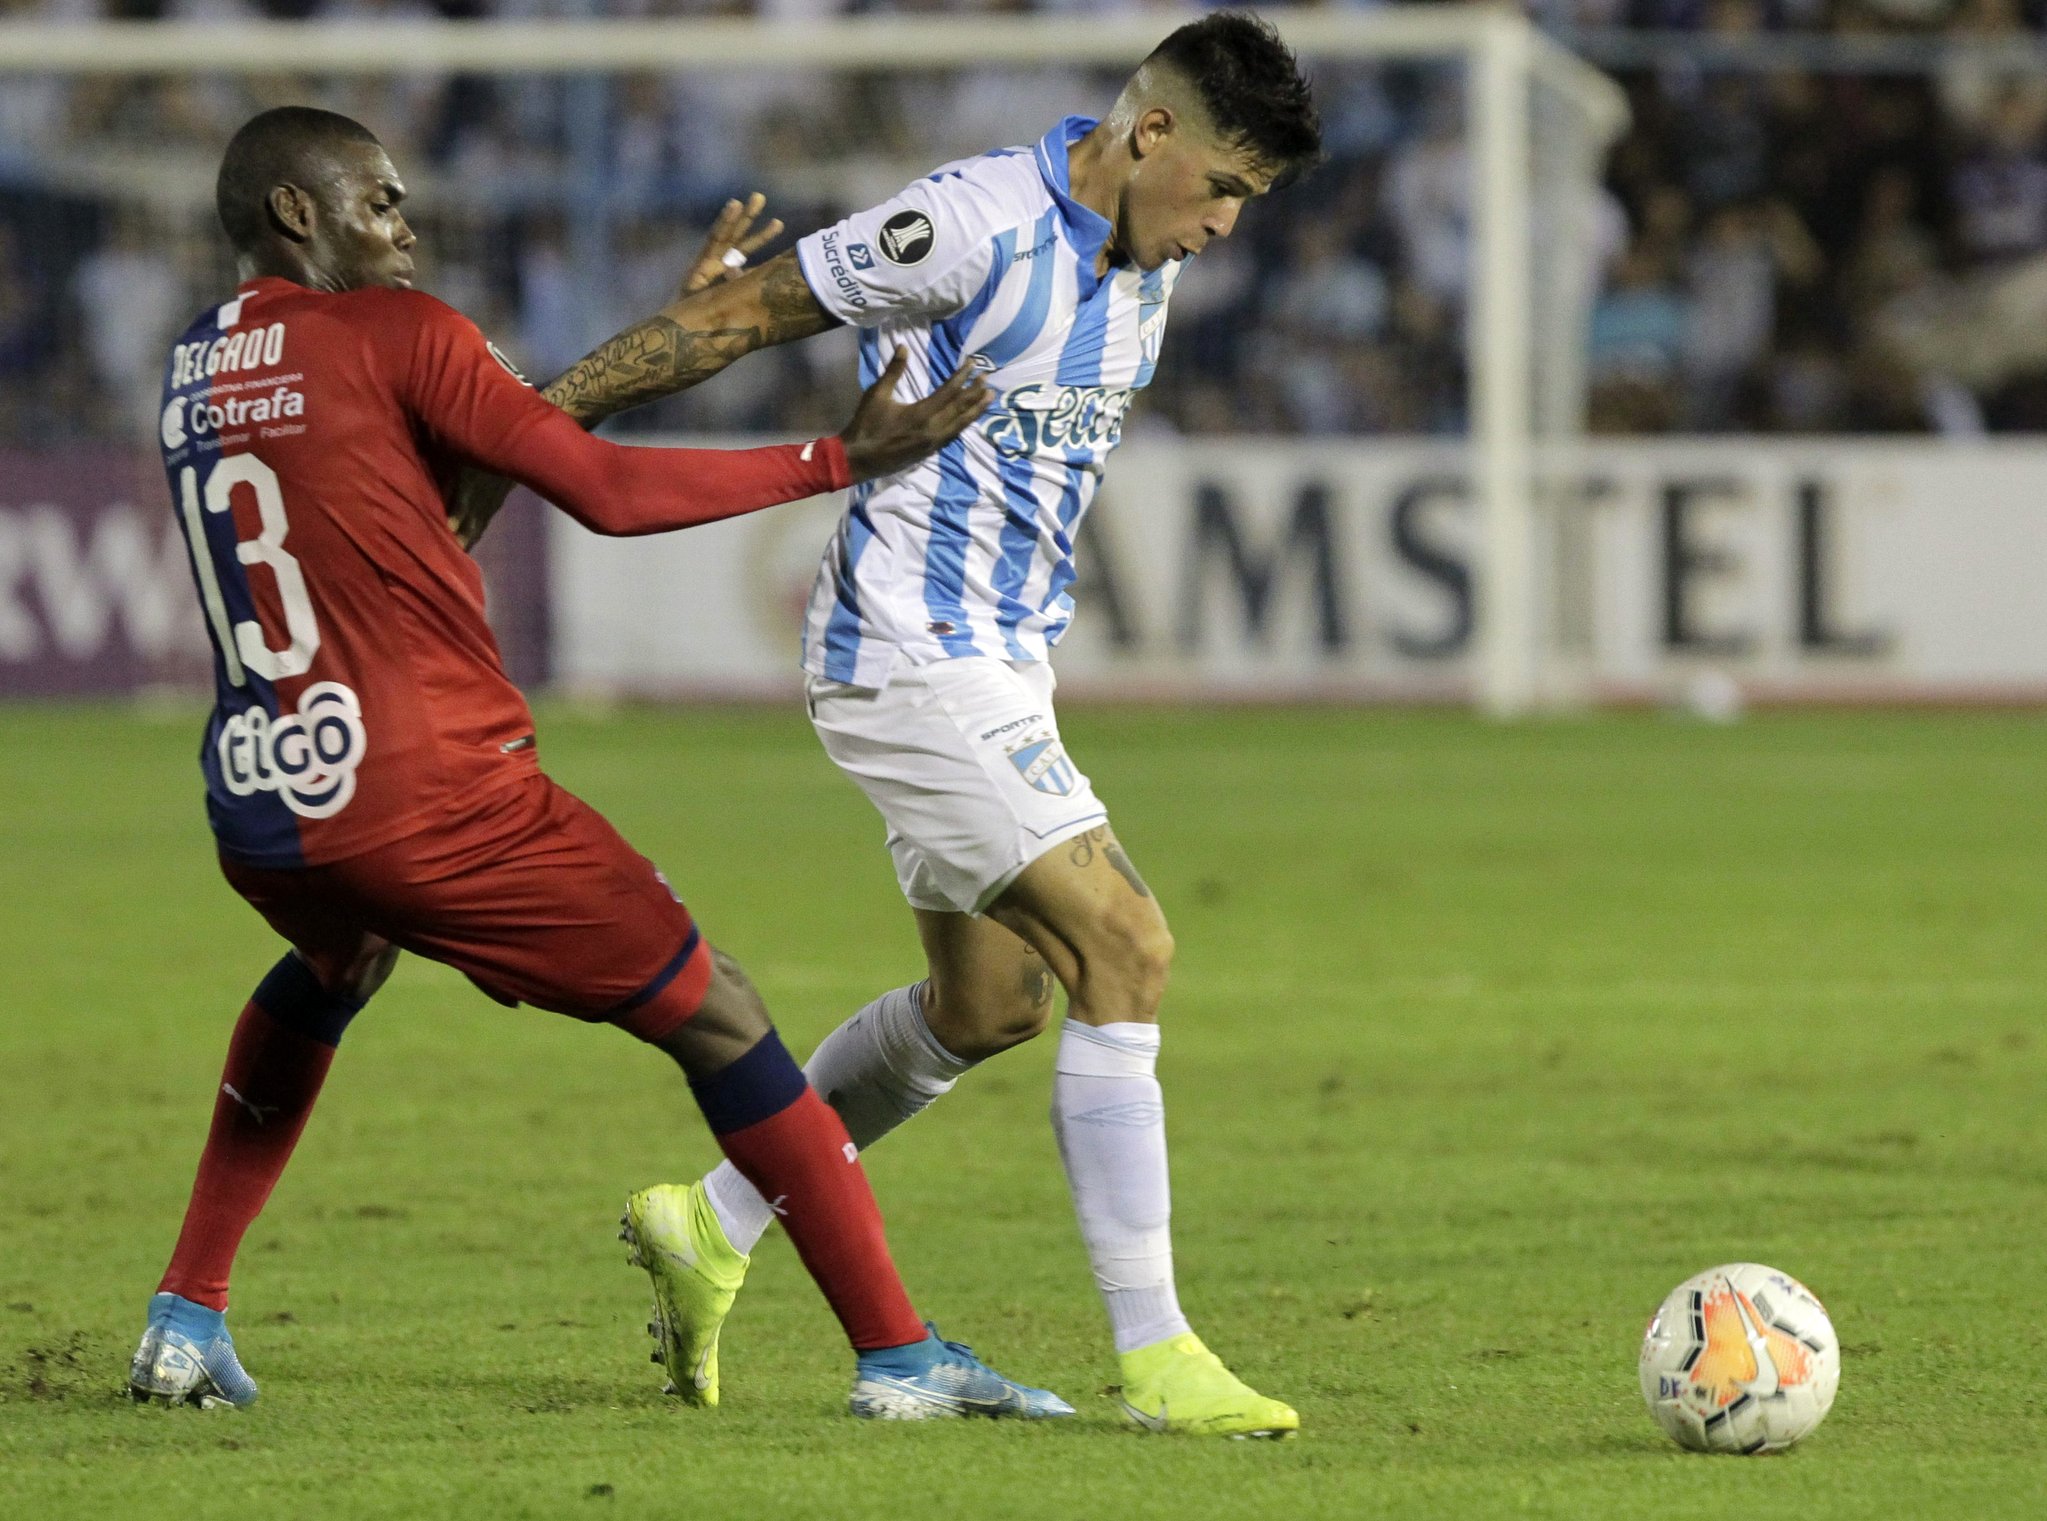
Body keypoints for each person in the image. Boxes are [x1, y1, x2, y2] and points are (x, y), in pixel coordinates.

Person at [128, 104, 1074, 1424]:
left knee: (337, 959)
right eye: (381, 201)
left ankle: (184, 1312)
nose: (407, 226)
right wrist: (839, 460)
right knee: (723, 1013)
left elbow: (443, 493)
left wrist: (641, 356)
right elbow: (604, 494)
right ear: (298, 213)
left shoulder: (195, 366)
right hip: (434, 793)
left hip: (265, 797)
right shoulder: (398, 333)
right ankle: (900, 1357)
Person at [473, 13, 1322, 1438]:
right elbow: (738, 320)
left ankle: (717, 1219)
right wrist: (525, 430)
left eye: (1253, 204)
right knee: (1129, 942)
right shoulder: (975, 221)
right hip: (911, 657)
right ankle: (1158, 1350)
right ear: (1151, 130)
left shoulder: (1141, 263)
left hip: (1002, 663)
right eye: (1224, 185)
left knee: (989, 1005)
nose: (1228, 225)